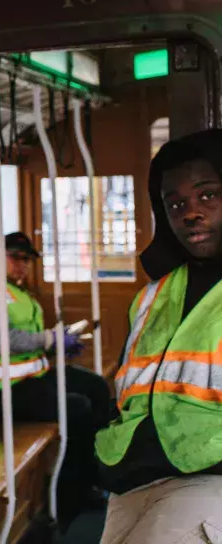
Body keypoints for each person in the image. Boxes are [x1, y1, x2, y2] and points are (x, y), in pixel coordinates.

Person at [97, 129, 222, 544]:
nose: (191, 213)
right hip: (130, 480)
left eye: (208, 196)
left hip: (206, 478)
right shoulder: (151, 296)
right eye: (176, 204)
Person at [0, 232, 110, 527]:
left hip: (35, 377)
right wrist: (51, 338)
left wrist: (59, 344)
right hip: (8, 391)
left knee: (97, 388)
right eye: (16, 258)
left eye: (26, 260)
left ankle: (91, 477)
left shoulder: (20, 293)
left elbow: (32, 345)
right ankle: (67, 498)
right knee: (77, 408)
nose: (22, 265)